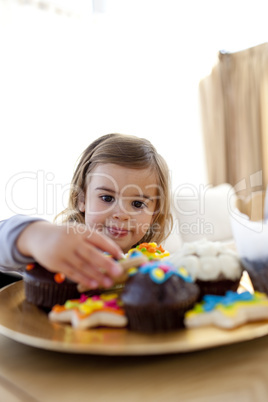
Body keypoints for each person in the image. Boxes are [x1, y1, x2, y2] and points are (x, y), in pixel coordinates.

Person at [0, 133, 173, 290]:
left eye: (137, 203)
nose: (121, 214)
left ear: (154, 215)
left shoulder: (160, 269)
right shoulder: (57, 253)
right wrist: (33, 236)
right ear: (81, 199)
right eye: (107, 198)